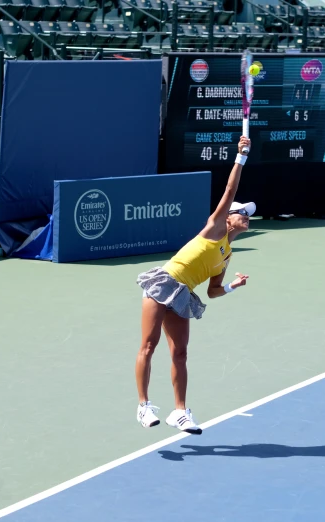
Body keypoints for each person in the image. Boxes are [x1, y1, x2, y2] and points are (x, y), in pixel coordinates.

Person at [135, 135, 254, 435]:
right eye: (242, 212)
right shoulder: (214, 228)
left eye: (247, 214)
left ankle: (180, 412)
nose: (247, 216)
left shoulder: (227, 254)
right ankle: (143, 405)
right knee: (149, 346)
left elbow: (213, 291)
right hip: (165, 282)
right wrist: (240, 157)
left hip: (183, 294)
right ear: (228, 219)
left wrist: (232, 287)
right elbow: (230, 189)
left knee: (181, 353)